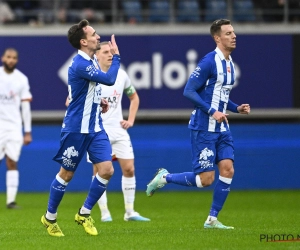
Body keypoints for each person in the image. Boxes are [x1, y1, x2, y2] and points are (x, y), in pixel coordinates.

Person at [146, 19, 250, 229]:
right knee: (205, 180)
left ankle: (212, 219)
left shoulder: (229, 64)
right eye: (228, 33)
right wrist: (212, 111)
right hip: (204, 127)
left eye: (233, 32)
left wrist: (235, 108)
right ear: (217, 38)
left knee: (228, 169)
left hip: (222, 127)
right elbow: (189, 90)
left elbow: (218, 97)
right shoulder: (209, 62)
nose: (234, 36)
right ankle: (165, 177)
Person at [40, 19, 120, 237]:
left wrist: (98, 101)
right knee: (66, 175)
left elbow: (84, 91)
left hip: (95, 128)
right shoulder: (80, 64)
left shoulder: (91, 60)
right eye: (94, 34)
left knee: (107, 170)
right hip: (76, 129)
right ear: (84, 41)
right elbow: (110, 79)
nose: (97, 36)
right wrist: (117, 57)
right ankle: (49, 218)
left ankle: (84, 213)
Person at [91, 42, 150, 222]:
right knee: (100, 171)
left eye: (112, 52)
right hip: (98, 132)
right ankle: (104, 213)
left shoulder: (121, 75)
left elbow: (134, 97)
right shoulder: (91, 76)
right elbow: (70, 101)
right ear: (97, 55)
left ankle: (130, 212)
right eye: (106, 52)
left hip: (118, 130)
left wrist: (130, 120)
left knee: (129, 168)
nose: (110, 55)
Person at [0, 48, 32, 209]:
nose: (11, 60)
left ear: (17, 60)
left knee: (12, 161)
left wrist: (27, 131)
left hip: (13, 127)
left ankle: (11, 201)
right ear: (3, 58)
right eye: (8, 57)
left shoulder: (21, 79)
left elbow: (25, 107)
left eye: (14, 57)